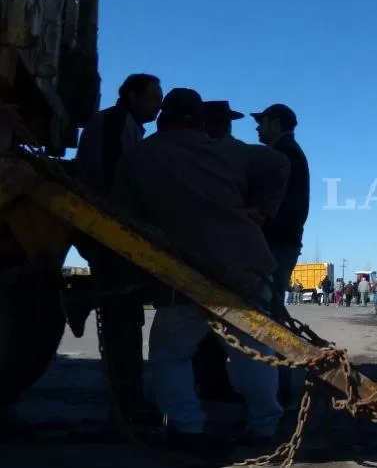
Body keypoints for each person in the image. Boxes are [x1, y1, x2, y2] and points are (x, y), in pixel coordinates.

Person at [111, 88, 288, 458]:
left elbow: (124, 214)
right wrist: (262, 209)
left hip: (184, 269)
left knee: (170, 354)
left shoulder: (140, 156)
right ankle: (264, 426)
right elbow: (278, 164)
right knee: (253, 350)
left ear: (162, 118)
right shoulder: (227, 150)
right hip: (246, 261)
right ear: (202, 121)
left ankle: (187, 427)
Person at [73, 72, 163, 427]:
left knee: (124, 316)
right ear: (131, 95)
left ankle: (128, 397)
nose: (158, 105)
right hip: (112, 234)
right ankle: (127, 402)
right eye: (153, 98)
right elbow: (114, 181)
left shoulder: (124, 125)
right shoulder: (114, 124)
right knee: (121, 316)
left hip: (114, 233)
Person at [251, 103, 309, 317]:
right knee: (270, 308)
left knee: (261, 311)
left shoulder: (281, 153)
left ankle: (267, 351)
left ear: (275, 123)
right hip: (284, 241)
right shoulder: (290, 151)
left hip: (273, 242)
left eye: (261, 123)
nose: (257, 129)